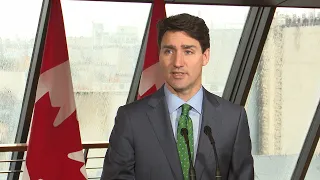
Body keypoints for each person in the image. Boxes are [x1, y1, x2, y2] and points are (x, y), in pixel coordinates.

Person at [101, 13, 254, 180]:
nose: (178, 62)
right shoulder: (131, 119)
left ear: (205, 56)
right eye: (169, 51)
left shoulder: (233, 118)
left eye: (188, 51)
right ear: (159, 56)